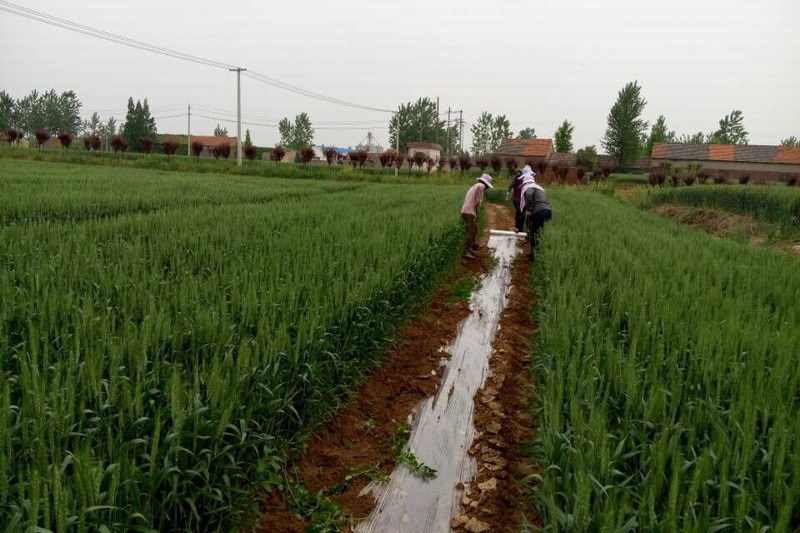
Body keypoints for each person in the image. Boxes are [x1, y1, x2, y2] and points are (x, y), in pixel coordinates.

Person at [520, 170, 552, 260]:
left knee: (534, 234)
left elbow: (529, 196)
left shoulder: (529, 187)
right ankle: (540, 254)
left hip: (539, 212)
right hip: (547, 211)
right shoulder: (539, 188)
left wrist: (529, 210)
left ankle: (534, 256)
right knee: (541, 233)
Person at [460, 173, 494, 259]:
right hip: (469, 211)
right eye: (488, 187)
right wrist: (476, 214)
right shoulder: (481, 186)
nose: (487, 188)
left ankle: (470, 248)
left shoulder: (476, 185)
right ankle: (465, 251)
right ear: (486, 184)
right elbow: (477, 203)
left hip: (466, 210)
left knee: (475, 228)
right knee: (471, 231)